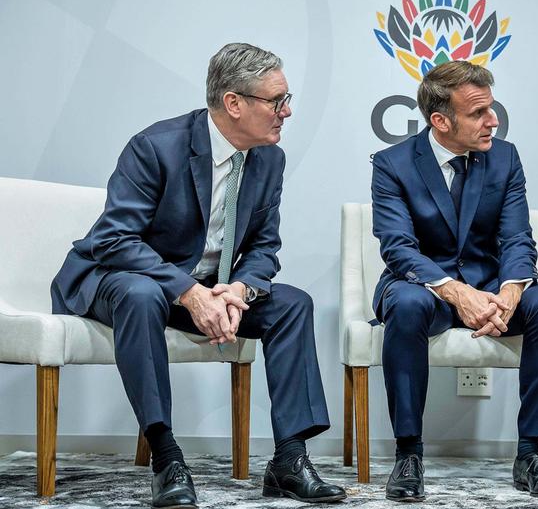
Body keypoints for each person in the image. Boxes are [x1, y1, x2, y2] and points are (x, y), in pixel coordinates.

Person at [50, 43, 346, 507]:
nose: (287, 112)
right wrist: (189, 292)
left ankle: (289, 459)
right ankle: (166, 457)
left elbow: (264, 246)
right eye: (277, 101)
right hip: (118, 280)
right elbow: (115, 240)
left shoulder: (269, 159)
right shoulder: (156, 146)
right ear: (234, 103)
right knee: (142, 294)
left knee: (291, 303)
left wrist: (239, 290)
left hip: (204, 288)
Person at [370, 61, 538, 502]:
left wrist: (510, 291)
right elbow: (398, 247)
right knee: (405, 305)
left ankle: (531, 454)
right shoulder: (392, 164)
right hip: (424, 287)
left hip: (493, 285)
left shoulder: (505, 157)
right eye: (478, 113)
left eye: (491, 108)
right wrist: (457, 292)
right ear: (441, 121)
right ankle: (408, 454)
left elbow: (517, 237)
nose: (493, 120)